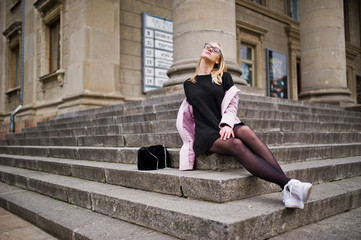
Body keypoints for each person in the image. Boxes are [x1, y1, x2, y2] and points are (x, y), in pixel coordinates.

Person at [176, 42, 312, 209]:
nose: (210, 48)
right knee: (237, 144)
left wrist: (226, 123)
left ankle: (287, 187)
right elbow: (191, 114)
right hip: (207, 133)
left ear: (218, 60)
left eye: (216, 49)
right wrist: (188, 143)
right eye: (207, 46)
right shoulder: (189, 84)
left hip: (224, 123)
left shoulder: (224, 77)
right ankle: (289, 185)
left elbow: (232, 104)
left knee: (246, 130)